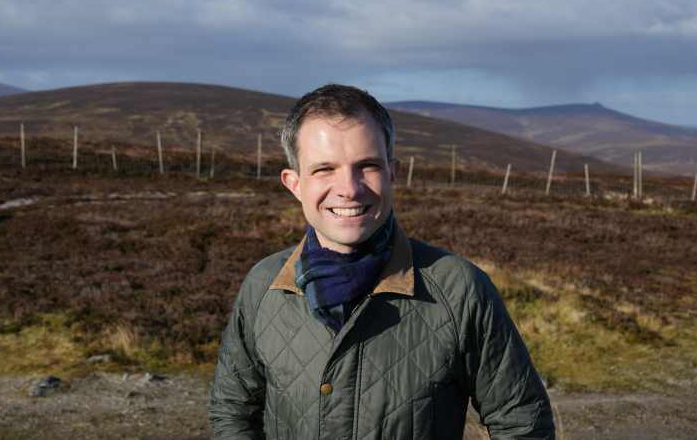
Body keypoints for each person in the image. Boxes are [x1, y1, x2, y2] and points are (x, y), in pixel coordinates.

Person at [208, 84, 555, 439]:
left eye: (367, 165)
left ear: (393, 172)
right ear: (294, 183)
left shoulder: (461, 291)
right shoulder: (263, 285)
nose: (349, 188)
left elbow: (522, 424)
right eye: (324, 169)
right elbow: (232, 412)